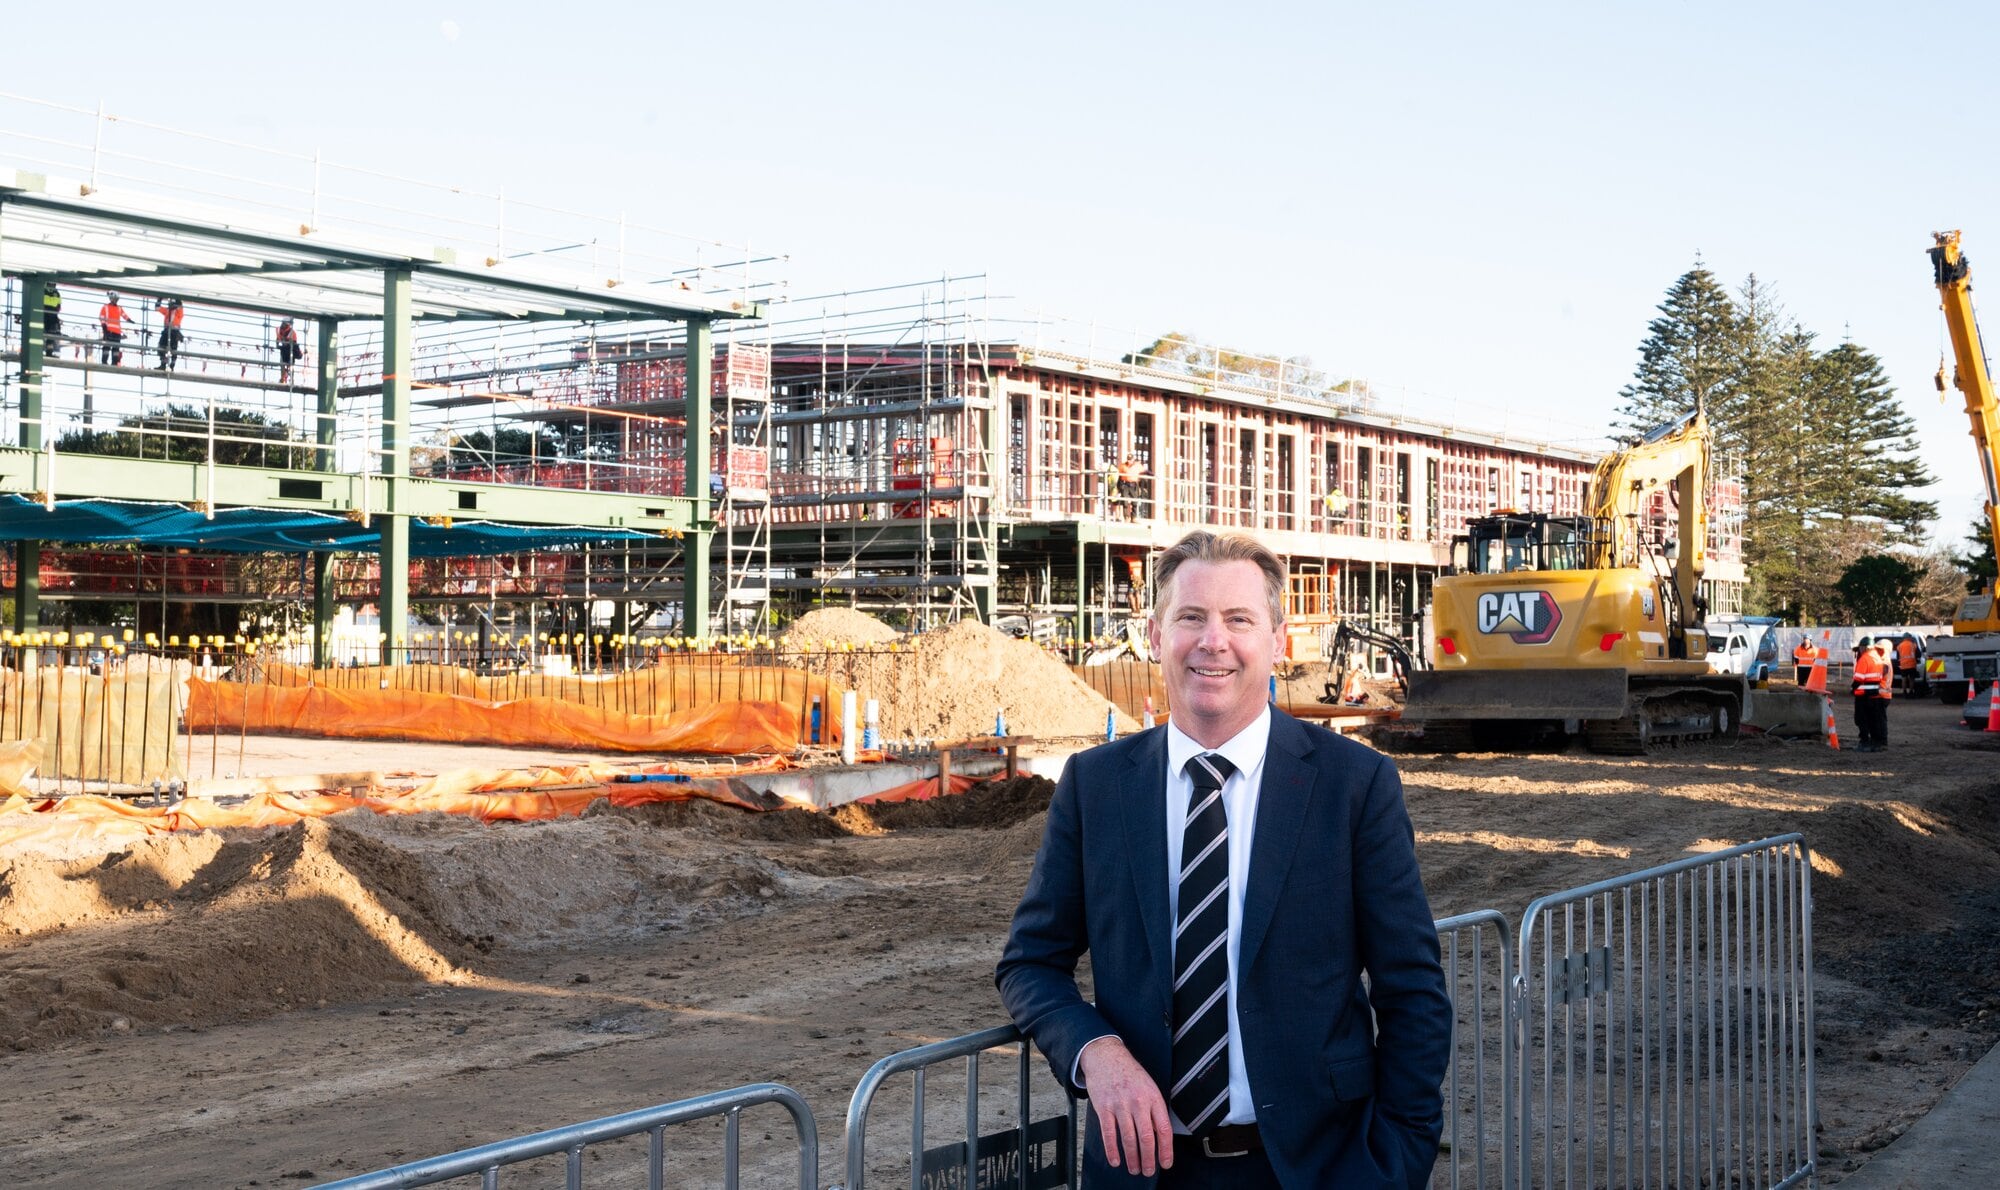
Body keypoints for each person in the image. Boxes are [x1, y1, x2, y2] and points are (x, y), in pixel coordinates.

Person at [997, 529, 1452, 1188]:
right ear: (1155, 636)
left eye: (1239, 619)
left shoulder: (1354, 786)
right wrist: (1095, 1051)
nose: (1213, 641)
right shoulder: (1096, 787)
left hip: (1314, 1169)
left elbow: (1413, 993)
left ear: (1278, 640)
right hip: (1141, 1171)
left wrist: (1395, 1164)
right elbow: (1030, 963)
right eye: (1191, 617)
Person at [1851, 636, 1892, 753]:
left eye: (1859, 648)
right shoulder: (1879, 658)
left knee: (1863, 719)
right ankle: (1877, 742)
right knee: (1876, 720)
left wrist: (1853, 689)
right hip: (1876, 694)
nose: (1859, 651)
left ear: (1864, 647)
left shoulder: (1865, 658)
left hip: (1865, 695)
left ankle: (1867, 742)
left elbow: (1858, 678)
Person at [97, 292, 126, 366]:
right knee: (107, 347)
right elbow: (102, 317)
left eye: (116, 299)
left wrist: (129, 319)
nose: (115, 301)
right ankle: (104, 362)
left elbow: (124, 315)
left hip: (117, 332)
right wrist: (104, 327)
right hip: (108, 331)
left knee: (115, 349)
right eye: (114, 299)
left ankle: (114, 363)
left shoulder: (119, 308)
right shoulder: (106, 307)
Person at [156, 297, 185, 370]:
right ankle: (163, 364)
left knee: (173, 349)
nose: (170, 305)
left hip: (174, 331)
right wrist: (159, 299)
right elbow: (157, 308)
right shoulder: (167, 310)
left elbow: (180, 304)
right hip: (166, 331)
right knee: (161, 346)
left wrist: (175, 296)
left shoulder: (178, 311)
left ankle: (172, 365)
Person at [1116, 455, 1146, 520]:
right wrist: (1119, 487)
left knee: (1135, 501)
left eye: (1130, 460)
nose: (1129, 461)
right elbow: (1119, 476)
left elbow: (1144, 472)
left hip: (1133, 485)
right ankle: (1126, 517)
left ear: (1133, 460)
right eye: (1128, 459)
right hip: (1125, 485)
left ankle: (1133, 517)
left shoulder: (1137, 466)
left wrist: (1152, 475)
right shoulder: (1123, 466)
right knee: (1125, 502)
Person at [275, 317, 303, 383]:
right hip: (284, 350)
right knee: (282, 363)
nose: (284, 325)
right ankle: (283, 378)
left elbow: (294, 344)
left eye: (286, 324)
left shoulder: (292, 332)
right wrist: (278, 345)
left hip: (290, 350)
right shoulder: (279, 330)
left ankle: (291, 379)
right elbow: (277, 339)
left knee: (290, 364)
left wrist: (284, 342)